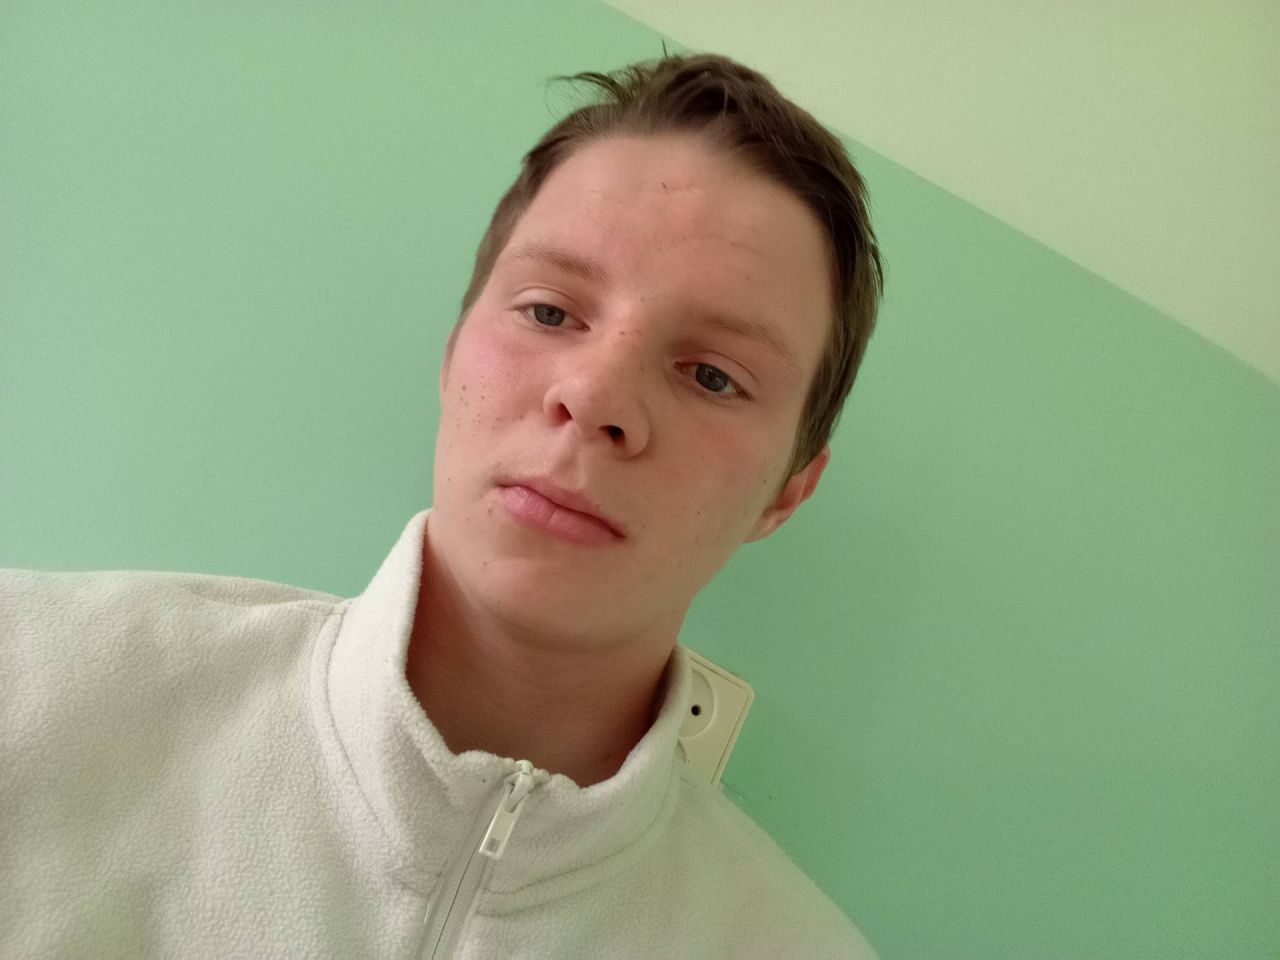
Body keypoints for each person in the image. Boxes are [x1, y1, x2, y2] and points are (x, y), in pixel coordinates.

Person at [0, 52, 883, 958]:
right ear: (454, 350)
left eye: (713, 375)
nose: (595, 397)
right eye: (548, 312)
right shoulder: (32, 677)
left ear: (788, 492)